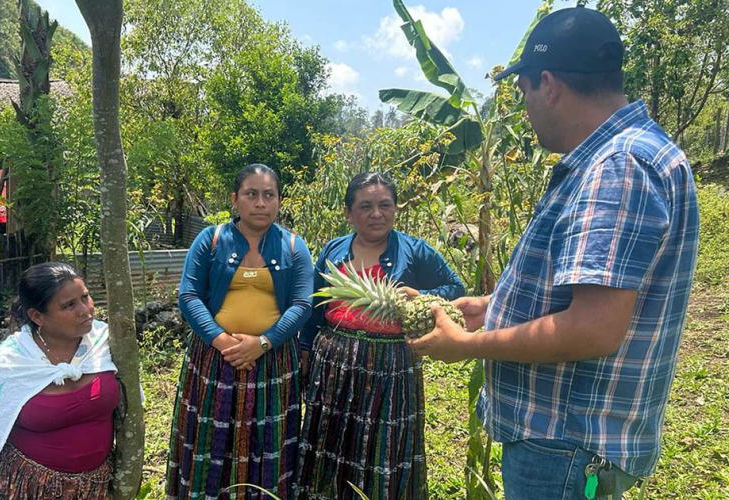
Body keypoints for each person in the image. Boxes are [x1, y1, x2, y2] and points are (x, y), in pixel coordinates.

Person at [408, 6, 699, 500]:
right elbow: (585, 295)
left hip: (564, 443)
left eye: (523, 91)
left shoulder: (618, 166)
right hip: (568, 441)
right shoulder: (628, 154)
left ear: (549, 84)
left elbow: (593, 328)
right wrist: (490, 308)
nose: (524, 107)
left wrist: (466, 346)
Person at [296, 172, 466, 500]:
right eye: (366, 206)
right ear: (349, 213)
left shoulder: (415, 251)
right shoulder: (334, 249)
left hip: (391, 365)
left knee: (385, 440)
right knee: (331, 437)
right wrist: (305, 347)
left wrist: (420, 294)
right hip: (334, 361)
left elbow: (455, 287)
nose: (377, 213)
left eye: (385, 205)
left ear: (395, 208)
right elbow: (315, 305)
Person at [166, 163, 313, 500]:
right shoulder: (212, 239)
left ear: (278, 201)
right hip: (215, 361)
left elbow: (302, 304)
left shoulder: (293, 245)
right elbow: (188, 295)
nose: (260, 203)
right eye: (251, 194)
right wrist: (222, 341)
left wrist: (263, 342)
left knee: (269, 438)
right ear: (235, 199)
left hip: (272, 362)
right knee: (210, 438)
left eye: (269, 195)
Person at [0, 262, 117, 499]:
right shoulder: (12, 362)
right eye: (69, 305)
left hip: (94, 488)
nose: (85, 310)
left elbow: (131, 409)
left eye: (85, 297)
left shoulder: (105, 342)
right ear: (37, 316)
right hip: (27, 487)